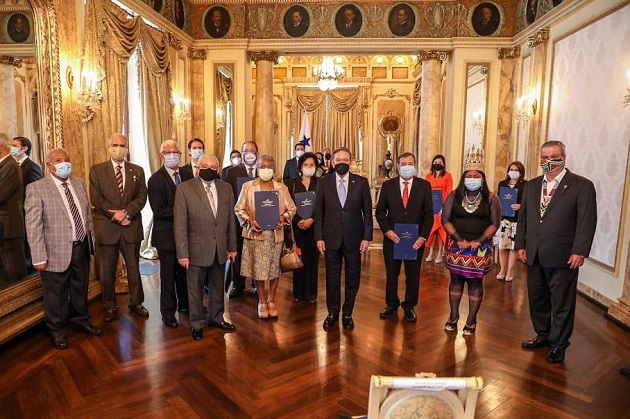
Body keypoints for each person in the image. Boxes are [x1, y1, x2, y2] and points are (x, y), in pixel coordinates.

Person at [516, 140, 597, 363]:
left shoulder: (581, 186)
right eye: (544, 157)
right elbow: (524, 219)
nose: (548, 161)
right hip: (534, 253)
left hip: (563, 255)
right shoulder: (532, 186)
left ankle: (559, 343)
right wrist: (520, 245)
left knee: (562, 301)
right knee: (537, 298)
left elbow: (586, 222)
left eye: (553, 156)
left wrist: (579, 251)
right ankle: (543, 334)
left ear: (563, 158)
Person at [25, 148, 101, 349]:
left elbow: (87, 215)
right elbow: (33, 226)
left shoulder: (79, 183)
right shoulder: (37, 188)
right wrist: (39, 257)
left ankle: (81, 321)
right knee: (55, 294)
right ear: (49, 165)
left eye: (67, 159)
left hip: (81, 247)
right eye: (58, 160)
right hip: (54, 252)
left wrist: (90, 241)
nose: (64, 163)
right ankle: (57, 331)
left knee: (80, 288)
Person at [174, 154, 237, 340]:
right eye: (204, 165)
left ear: (218, 169)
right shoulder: (184, 189)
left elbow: (230, 222)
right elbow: (180, 225)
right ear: (198, 168)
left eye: (213, 166)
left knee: (218, 286)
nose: (209, 169)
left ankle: (217, 318)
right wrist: (182, 253)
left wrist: (232, 247)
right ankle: (196, 323)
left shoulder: (226, 189)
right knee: (195, 289)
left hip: (219, 249)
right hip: (195, 250)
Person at [89, 133, 149, 322]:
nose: (118, 148)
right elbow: (96, 198)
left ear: (127, 148)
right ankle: (109, 306)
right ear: (108, 147)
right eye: (115, 144)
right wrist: (116, 215)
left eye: (122, 145)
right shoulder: (97, 170)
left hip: (131, 226)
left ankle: (136, 302)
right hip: (107, 227)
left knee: (133, 267)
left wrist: (127, 213)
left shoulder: (137, 170)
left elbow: (142, 196)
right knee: (107, 270)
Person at [442, 147, 500, 336]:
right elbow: (446, 219)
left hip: (480, 248)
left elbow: (495, 223)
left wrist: (480, 240)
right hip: (457, 247)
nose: (473, 178)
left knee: (475, 283)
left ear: (482, 178)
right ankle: (453, 316)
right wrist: (458, 239)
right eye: (469, 175)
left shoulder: (492, 198)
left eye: (476, 175)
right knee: (456, 281)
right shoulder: (454, 195)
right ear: (464, 176)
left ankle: (472, 320)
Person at [315, 147, 373, 331]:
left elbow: (367, 213)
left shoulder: (362, 183)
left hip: (354, 238)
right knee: (332, 278)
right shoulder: (323, 183)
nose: (342, 163)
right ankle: (332, 313)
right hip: (330, 238)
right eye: (338, 159)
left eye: (345, 160)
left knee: (352, 277)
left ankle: (348, 313)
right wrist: (318, 237)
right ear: (332, 162)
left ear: (351, 162)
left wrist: (367, 237)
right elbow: (319, 213)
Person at [235, 154, 296, 319]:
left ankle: (271, 300)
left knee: (274, 270)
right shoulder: (248, 186)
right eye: (262, 167)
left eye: (269, 167)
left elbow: (292, 208)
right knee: (259, 271)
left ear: (274, 170)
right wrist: (250, 220)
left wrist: (283, 218)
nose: (266, 170)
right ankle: (262, 301)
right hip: (256, 235)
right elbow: (238, 208)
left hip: (275, 236)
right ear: (257, 168)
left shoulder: (281, 188)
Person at [375, 152, 434, 322]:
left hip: (415, 241)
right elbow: (380, 211)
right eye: (404, 163)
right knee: (392, 274)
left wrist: (423, 237)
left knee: (413, 275)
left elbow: (429, 215)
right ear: (398, 166)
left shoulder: (424, 186)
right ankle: (391, 304)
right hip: (392, 239)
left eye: (410, 163)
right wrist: (387, 231)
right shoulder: (388, 185)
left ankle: (409, 306)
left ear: (414, 166)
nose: (407, 166)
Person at [147, 140, 192, 328]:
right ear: (161, 156)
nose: (172, 155)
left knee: (184, 274)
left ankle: (185, 305)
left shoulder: (188, 174)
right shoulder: (155, 180)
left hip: (186, 235)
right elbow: (159, 210)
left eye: (176, 152)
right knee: (167, 276)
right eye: (168, 152)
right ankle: (167, 313)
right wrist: (183, 211)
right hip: (166, 237)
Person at [225, 140, 260, 298]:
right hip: (239, 221)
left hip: (259, 222)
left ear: (257, 153)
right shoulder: (232, 172)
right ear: (242, 153)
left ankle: (255, 283)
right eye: (246, 150)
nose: (249, 153)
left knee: (256, 253)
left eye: (252, 150)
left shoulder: (263, 170)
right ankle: (238, 284)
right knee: (238, 252)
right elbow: (228, 197)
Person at [285, 152, 320, 303]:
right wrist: (299, 219)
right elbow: (288, 204)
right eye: (306, 165)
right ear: (300, 167)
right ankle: (298, 293)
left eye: (312, 165)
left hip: (314, 226)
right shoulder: (291, 184)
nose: (309, 167)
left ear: (316, 167)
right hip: (297, 226)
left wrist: (312, 219)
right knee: (298, 259)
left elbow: (323, 205)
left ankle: (311, 293)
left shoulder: (321, 183)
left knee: (312, 259)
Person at [11, 136, 43, 271]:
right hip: (16, 215)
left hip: (27, 215)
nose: (11, 148)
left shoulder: (31, 167)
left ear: (24, 148)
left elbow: (38, 192)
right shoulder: (13, 166)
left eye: (14, 145)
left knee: (28, 250)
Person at [0, 133, 27, 284]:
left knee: (13, 271)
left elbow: (1, 194)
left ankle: (21, 305)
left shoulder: (10, 165)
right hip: (3, 228)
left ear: (2, 147)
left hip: (9, 227)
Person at [495, 161, 527, 282]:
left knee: (513, 246)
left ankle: (510, 270)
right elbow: (498, 198)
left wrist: (521, 206)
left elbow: (528, 201)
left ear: (521, 172)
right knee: (502, 246)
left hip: (517, 220)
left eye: (516, 170)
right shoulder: (503, 183)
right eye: (511, 169)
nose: (513, 172)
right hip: (504, 219)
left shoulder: (525, 185)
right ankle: (502, 269)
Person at [425, 155, 453, 264]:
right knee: (432, 229)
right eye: (435, 161)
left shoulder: (447, 175)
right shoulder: (428, 175)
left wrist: (444, 206)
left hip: (442, 207)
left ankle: (440, 252)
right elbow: (425, 191)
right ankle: (431, 252)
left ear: (443, 164)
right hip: (431, 206)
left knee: (440, 229)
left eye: (439, 162)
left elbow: (449, 191)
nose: (437, 163)